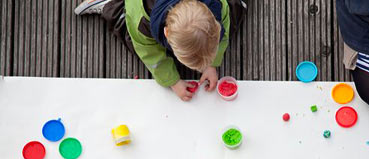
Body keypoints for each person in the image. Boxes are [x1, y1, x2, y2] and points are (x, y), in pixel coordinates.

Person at [74, 0, 246, 101]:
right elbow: (150, 54)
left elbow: (220, 35)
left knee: (232, 12)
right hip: (136, 9)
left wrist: (211, 64)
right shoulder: (141, 21)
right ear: (166, 33)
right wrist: (171, 80)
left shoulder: (217, 7)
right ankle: (110, 5)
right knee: (126, 28)